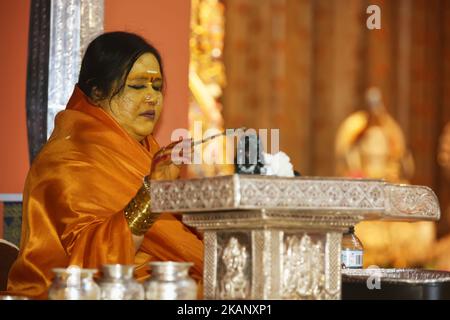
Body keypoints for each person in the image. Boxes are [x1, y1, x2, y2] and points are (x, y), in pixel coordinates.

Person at [4, 32, 203, 299]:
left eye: (157, 87)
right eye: (137, 86)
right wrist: (149, 197)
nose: (151, 98)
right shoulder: (67, 161)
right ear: (97, 92)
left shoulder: (152, 154)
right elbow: (90, 262)